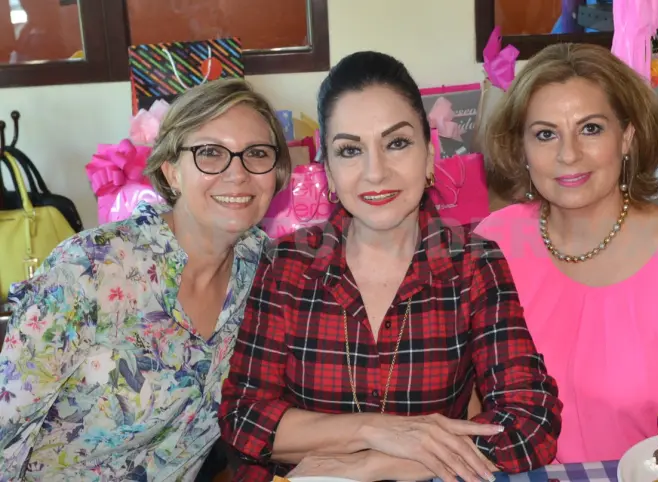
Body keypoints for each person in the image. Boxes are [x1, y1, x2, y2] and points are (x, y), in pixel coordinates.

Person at [219, 51, 562, 482]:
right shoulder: (287, 264)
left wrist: (377, 463)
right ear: (327, 171)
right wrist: (375, 431)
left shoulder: (474, 264)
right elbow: (243, 418)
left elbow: (532, 421)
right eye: (350, 150)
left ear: (429, 154)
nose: (375, 172)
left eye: (396, 143)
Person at [0, 78, 291, 481]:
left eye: (257, 153)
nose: (237, 173)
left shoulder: (264, 273)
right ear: (171, 172)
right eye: (210, 152)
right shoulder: (88, 268)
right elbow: (6, 434)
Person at [475, 43, 658, 464]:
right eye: (545, 134)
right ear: (521, 149)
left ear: (627, 137)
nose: (568, 154)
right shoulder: (491, 244)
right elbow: (465, 409)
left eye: (590, 129)